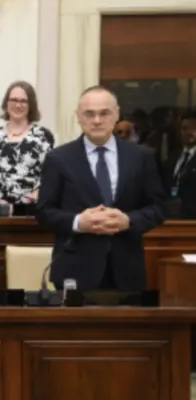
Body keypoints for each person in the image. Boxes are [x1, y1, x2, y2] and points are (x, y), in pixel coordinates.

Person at [36, 86, 166, 291]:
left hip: (127, 270)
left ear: (116, 115)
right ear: (78, 117)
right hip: (75, 270)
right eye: (89, 114)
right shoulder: (58, 159)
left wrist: (129, 221)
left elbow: (158, 207)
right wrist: (79, 222)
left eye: (104, 113)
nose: (97, 120)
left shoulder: (142, 157)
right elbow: (44, 211)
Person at [0, 81, 55, 216]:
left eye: (24, 101)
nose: (18, 105)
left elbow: (51, 173)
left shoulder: (43, 136)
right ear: (6, 103)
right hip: (0, 213)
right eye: (14, 100)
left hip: (33, 213)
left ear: (31, 105)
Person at [163, 111, 196, 219]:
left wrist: (185, 205)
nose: (189, 132)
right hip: (171, 217)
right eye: (185, 128)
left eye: (194, 128)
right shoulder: (173, 157)